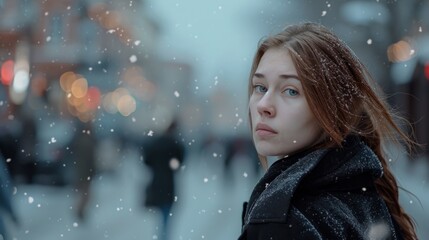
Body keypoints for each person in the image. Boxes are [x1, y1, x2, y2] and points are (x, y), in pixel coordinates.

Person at [239, 22, 418, 240]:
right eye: (261, 87)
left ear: (334, 107)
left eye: (291, 91)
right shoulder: (365, 197)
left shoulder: (283, 221)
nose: (263, 105)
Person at [141, 118, 185, 240]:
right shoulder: (175, 145)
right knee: (166, 214)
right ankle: (164, 236)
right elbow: (178, 164)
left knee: (161, 212)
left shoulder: (155, 143)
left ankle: (162, 235)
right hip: (169, 183)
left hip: (156, 182)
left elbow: (147, 161)